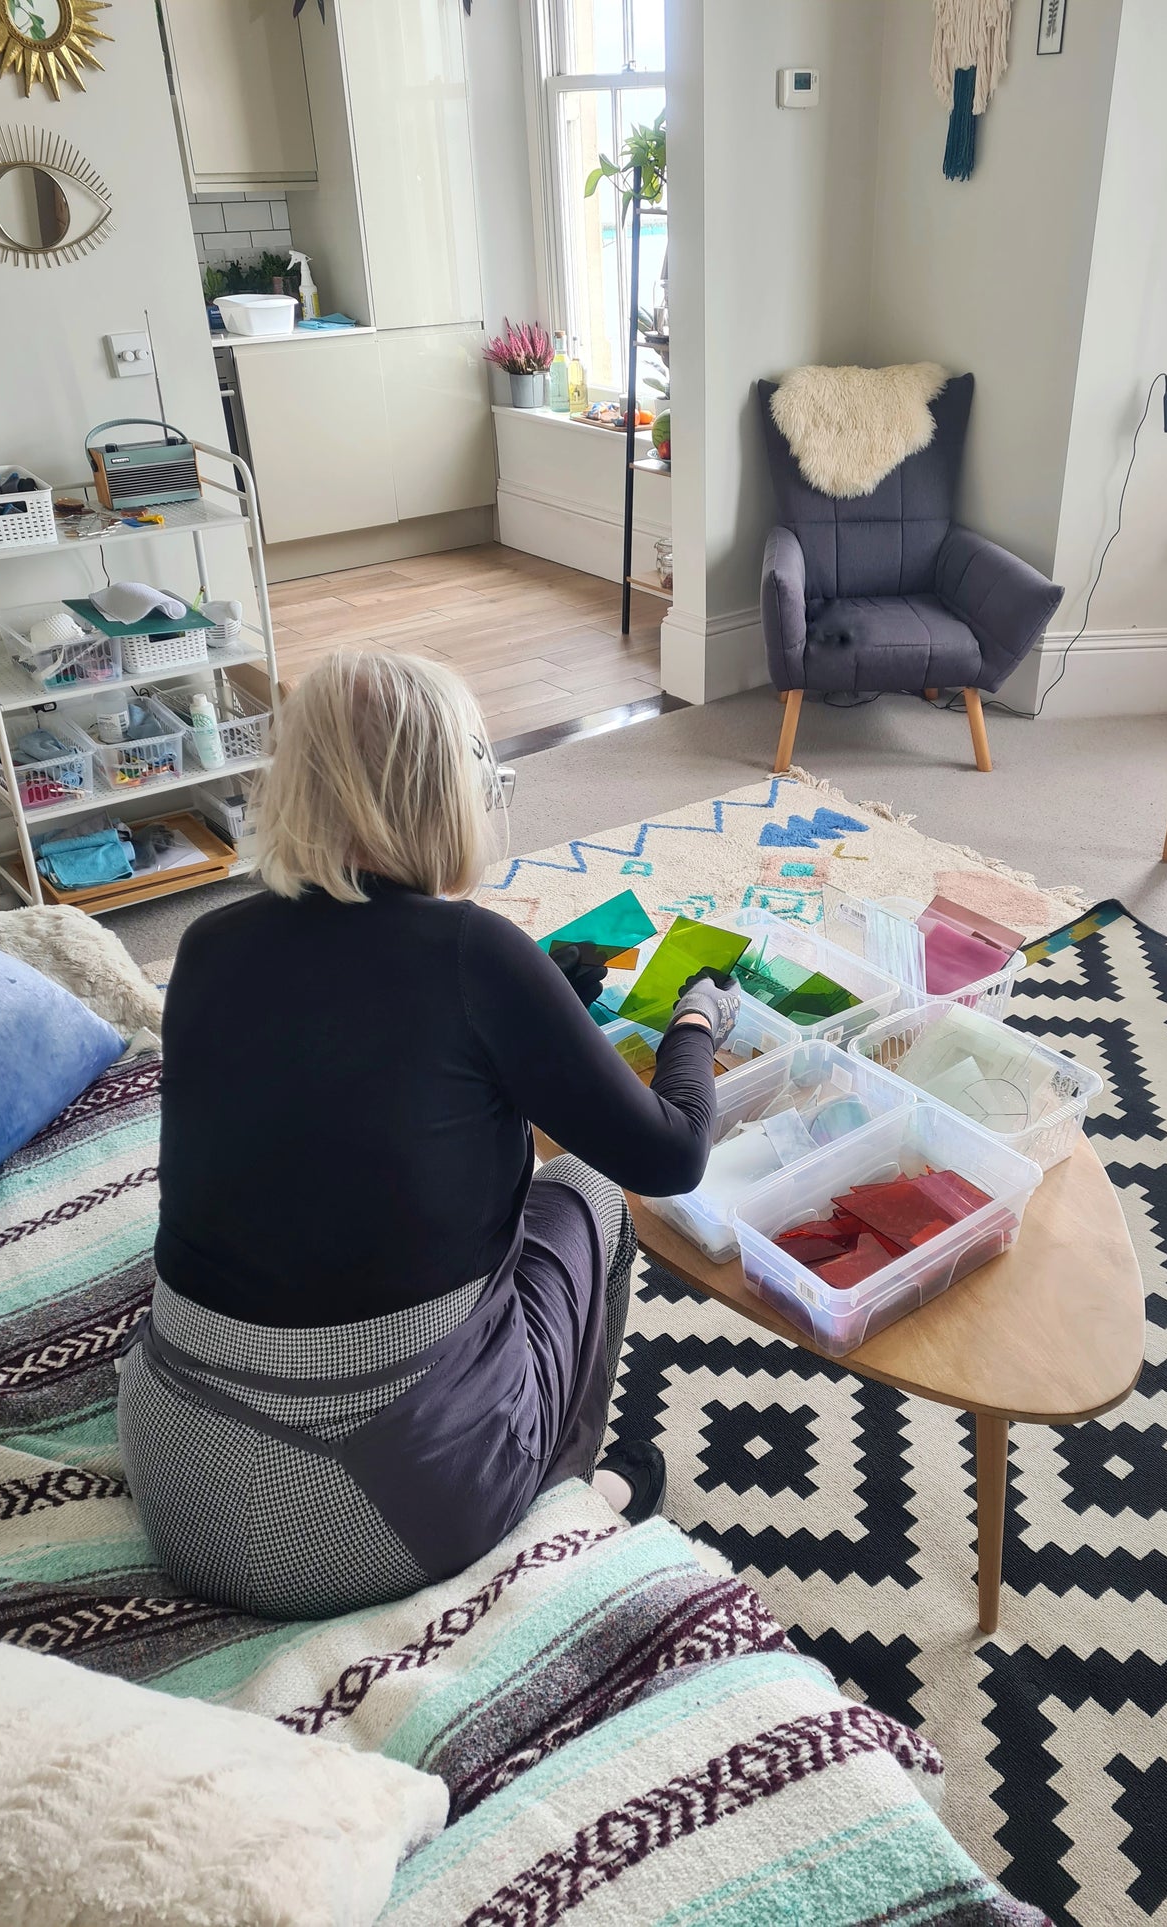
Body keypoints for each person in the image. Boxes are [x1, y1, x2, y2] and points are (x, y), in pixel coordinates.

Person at [117, 648, 739, 1620]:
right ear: (448, 791)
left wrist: (537, 992)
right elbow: (672, 1152)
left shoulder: (204, 946)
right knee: (588, 1193)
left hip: (179, 1472)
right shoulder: (475, 956)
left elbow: (354, 1056)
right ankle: (560, 1507)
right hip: (375, 1507)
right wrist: (694, 1026)